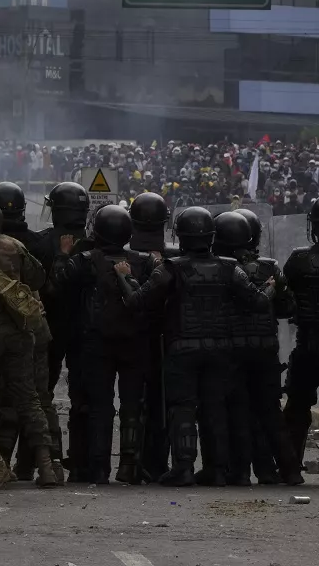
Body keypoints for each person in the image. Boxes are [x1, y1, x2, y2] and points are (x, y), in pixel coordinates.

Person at [115, 207, 274, 486]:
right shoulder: (229, 267)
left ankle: (184, 467)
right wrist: (274, 286)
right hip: (221, 350)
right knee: (215, 407)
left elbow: (136, 301)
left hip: (182, 348)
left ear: (182, 236)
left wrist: (123, 277)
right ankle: (217, 469)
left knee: (182, 407)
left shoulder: (171, 268)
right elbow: (259, 301)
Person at [54, 205, 152, 484]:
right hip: (134, 342)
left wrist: (63, 254)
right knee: (133, 405)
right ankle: (129, 466)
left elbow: (59, 285)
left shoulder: (85, 261)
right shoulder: (142, 262)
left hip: (97, 342)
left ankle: (99, 468)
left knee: (100, 407)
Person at [0, 196, 57, 488]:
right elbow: (37, 277)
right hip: (21, 332)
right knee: (29, 398)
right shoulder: (14, 246)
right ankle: (47, 466)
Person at [211, 211, 303, 487]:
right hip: (264, 347)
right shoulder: (271, 267)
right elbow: (287, 308)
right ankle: (285, 470)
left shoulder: (218, 266)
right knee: (270, 412)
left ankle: (239, 473)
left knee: (237, 411)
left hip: (231, 348)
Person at [0, 181, 64, 483]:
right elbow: (41, 280)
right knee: (36, 399)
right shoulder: (37, 243)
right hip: (33, 328)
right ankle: (49, 464)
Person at [34, 182, 91, 481]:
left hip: (51, 327)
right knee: (85, 398)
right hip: (85, 330)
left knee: (41, 395)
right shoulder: (95, 244)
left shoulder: (41, 243)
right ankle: (82, 460)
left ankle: (39, 459)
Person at [126, 192, 177, 483]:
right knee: (164, 403)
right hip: (168, 337)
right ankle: (156, 462)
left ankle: (134, 463)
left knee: (136, 402)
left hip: (136, 336)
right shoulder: (176, 257)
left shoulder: (124, 256)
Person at [281, 198, 319, 470]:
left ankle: (291, 466)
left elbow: (285, 297)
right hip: (308, 341)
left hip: (309, 343)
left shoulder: (299, 259)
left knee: (297, 407)